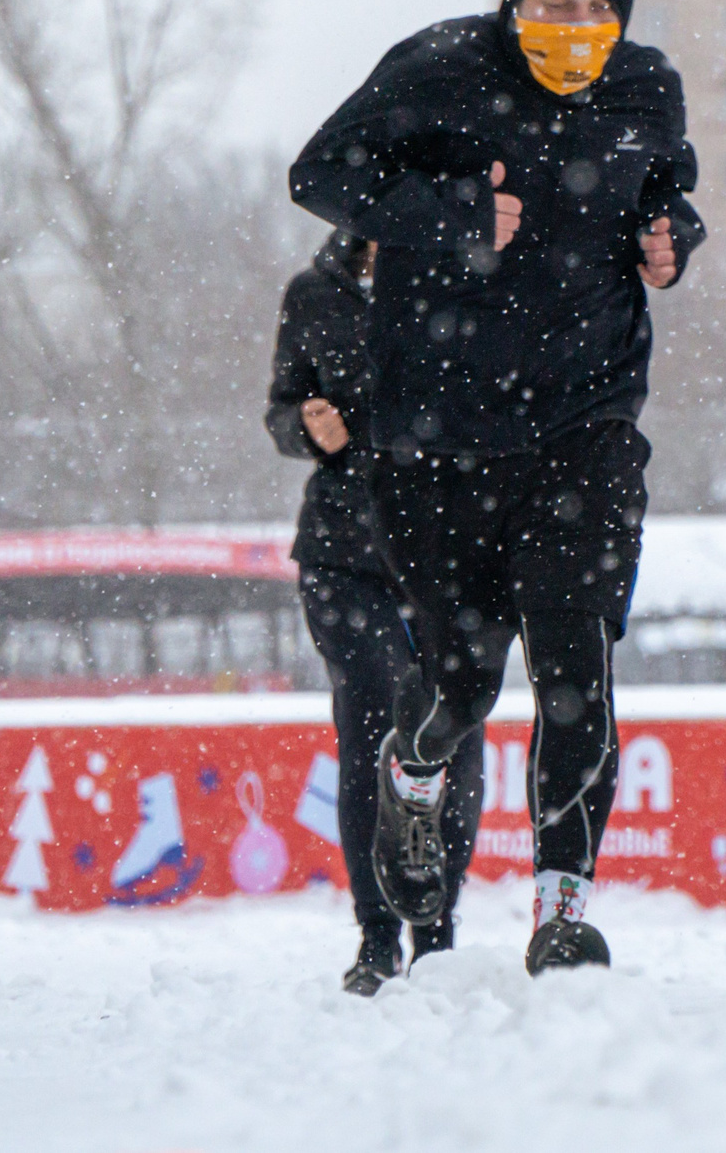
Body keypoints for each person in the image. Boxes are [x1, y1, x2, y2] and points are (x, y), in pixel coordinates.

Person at [288, 0, 705, 975]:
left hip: (587, 427)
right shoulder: (440, 70)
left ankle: (560, 913)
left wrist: (672, 240)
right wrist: (445, 211)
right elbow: (320, 177)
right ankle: (414, 771)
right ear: (511, 0)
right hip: (440, 438)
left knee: (578, 668)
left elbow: (668, 191)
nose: (571, 22)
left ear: (621, 14)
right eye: (549, 0)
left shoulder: (646, 89)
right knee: (464, 682)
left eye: (593, 5)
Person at [264, 229, 484, 995]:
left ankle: (438, 933)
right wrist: (306, 428)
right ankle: (378, 934)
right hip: (344, 553)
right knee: (376, 719)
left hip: (448, 548)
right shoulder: (316, 292)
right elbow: (281, 408)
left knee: (451, 725)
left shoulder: (469, 273)